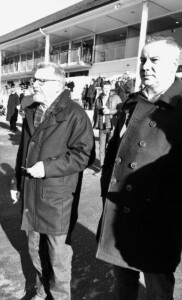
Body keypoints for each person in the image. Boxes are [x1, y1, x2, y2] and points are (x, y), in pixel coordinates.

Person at [96, 35, 182, 299]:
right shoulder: (132, 103)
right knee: (123, 283)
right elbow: (112, 154)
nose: (146, 66)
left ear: (174, 64)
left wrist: (164, 194)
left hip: (157, 219)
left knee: (157, 288)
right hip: (119, 213)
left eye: (154, 60)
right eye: (143, 59)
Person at [15, 62, 95, 300]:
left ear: (59, 84)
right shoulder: (32, 110)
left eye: (41, 81)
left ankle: (60, 296)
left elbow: (84, 155)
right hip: (31, 191)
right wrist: (16, 184)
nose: (34, 85)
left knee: (57, 256)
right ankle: (41, 291)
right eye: (34, 80)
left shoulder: (74, 114)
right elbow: (23, 152)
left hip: (57, 198)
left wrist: (48, 167)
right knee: (34, 249)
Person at [93, 82, 122, 175]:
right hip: (102, 126)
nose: (106, 89)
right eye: (105, 88)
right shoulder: (98, 98)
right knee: (101, 149)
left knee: (111, 149)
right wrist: (94, 123)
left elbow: (121, 110)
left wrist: (110, 111)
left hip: (111, 126)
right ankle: (102, 169)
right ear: (101, 88)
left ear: (110, 88)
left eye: (108, 88)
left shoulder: (116, 97)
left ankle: (111, 169)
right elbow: (95, 112)